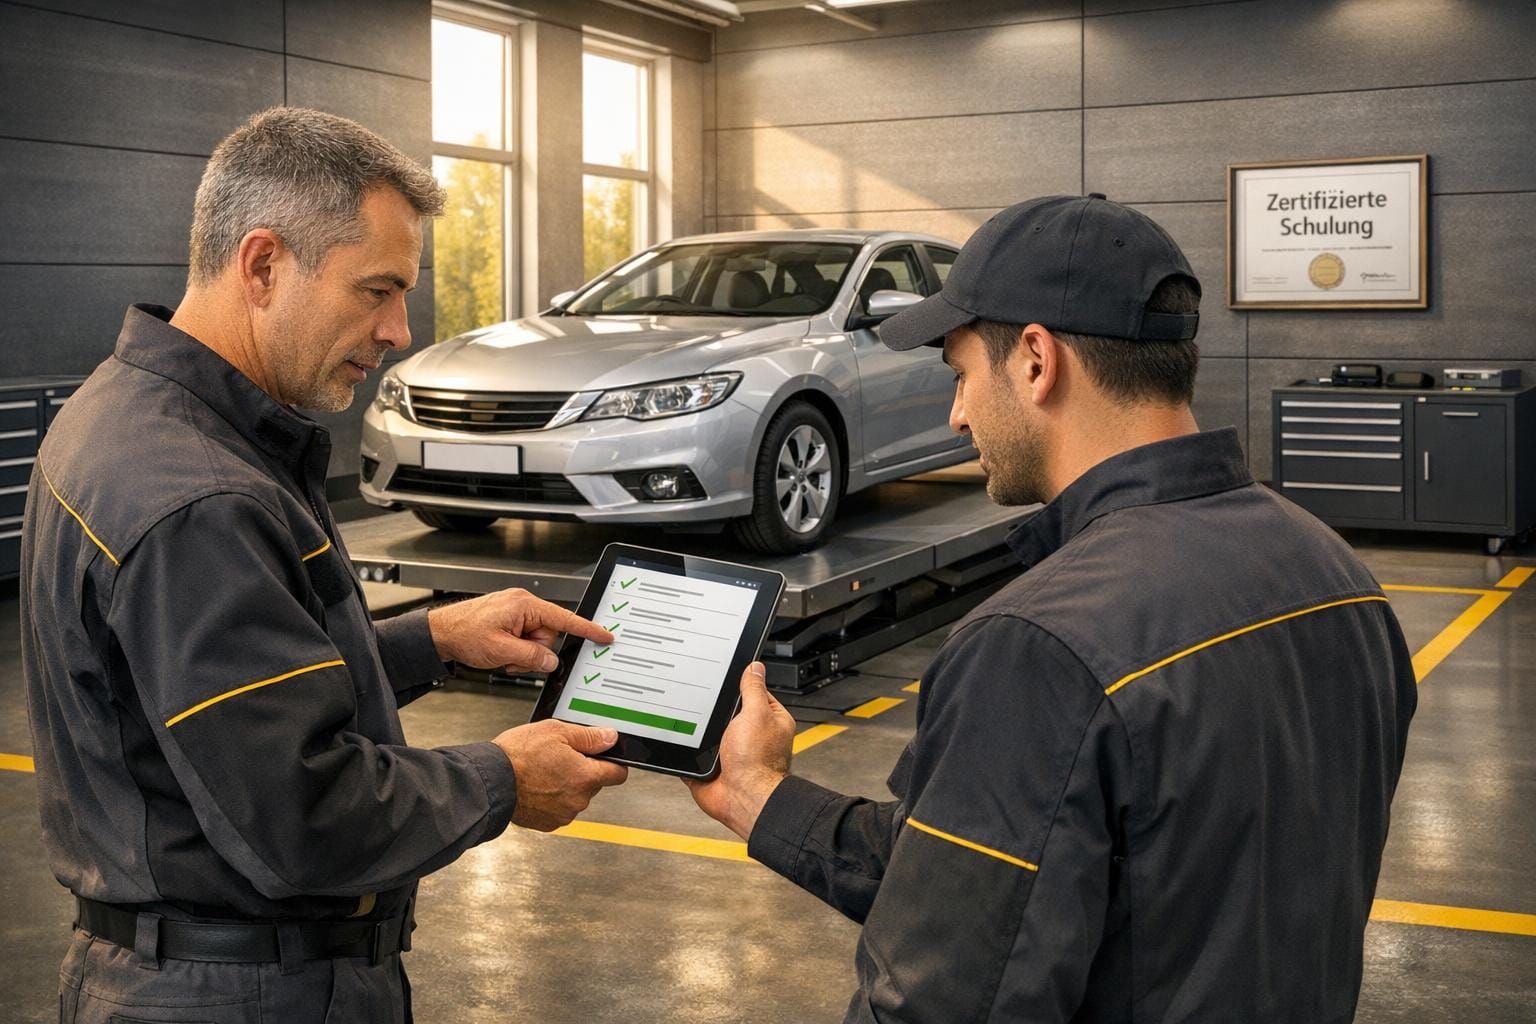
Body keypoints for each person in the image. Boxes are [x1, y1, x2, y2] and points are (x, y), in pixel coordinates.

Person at [689, 194, 1418, 1022]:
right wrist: (759, 797)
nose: (958, 412)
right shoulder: (1339, 577)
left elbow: (942, 997)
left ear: (1036, 360)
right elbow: (1009, 869)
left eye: (961, 373)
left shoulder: (1040, 646)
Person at [22, 107, 627, 1023]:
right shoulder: (197, 496)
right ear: (262, 265)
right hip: (239, 995)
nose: (399, 331)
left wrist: (434, 639)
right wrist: (503, 778)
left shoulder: (131, 414)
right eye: (376, 290)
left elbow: (226, 700)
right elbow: (303, 815)